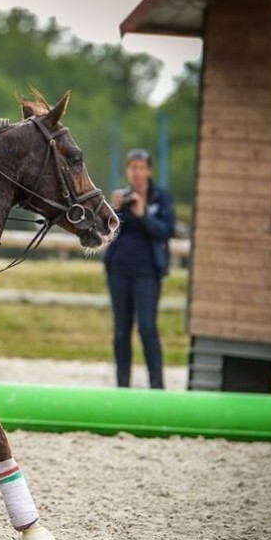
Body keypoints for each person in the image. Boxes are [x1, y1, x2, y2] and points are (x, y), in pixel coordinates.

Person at [104, 148, 176, 389]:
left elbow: (166, 231)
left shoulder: (160, 198)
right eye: (132, 168)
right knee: (121, 332)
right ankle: (122, 385)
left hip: (148, 273)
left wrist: (143, 214)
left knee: (147, 328)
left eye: (141, 168)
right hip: (119, 271)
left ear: (149, 170)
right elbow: (105, 230)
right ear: (127, 170)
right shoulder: (122, 198)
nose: (137, 173)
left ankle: (157, 386)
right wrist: (112, 211)